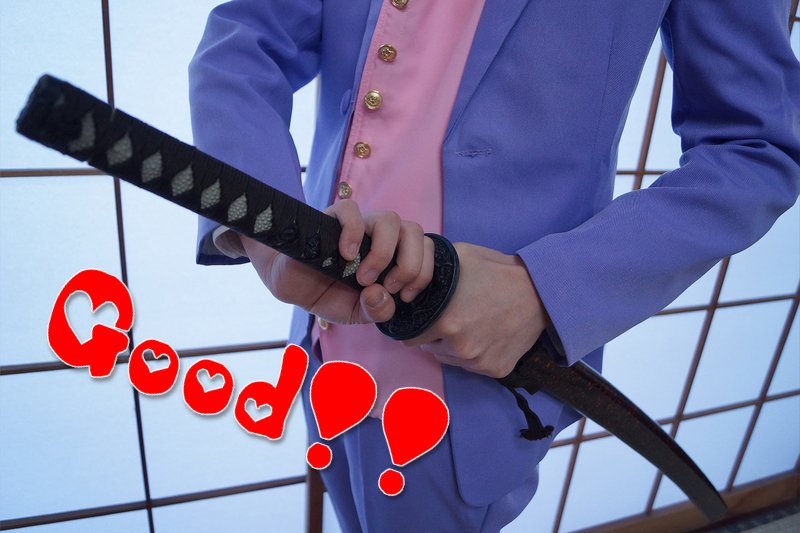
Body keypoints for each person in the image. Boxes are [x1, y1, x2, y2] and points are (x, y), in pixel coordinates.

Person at [189, 0, 800, 530]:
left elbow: (755, 146)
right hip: (321, 335)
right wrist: (268, 234)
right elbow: (247, 40)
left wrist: (542, 288)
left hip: (475, 373)